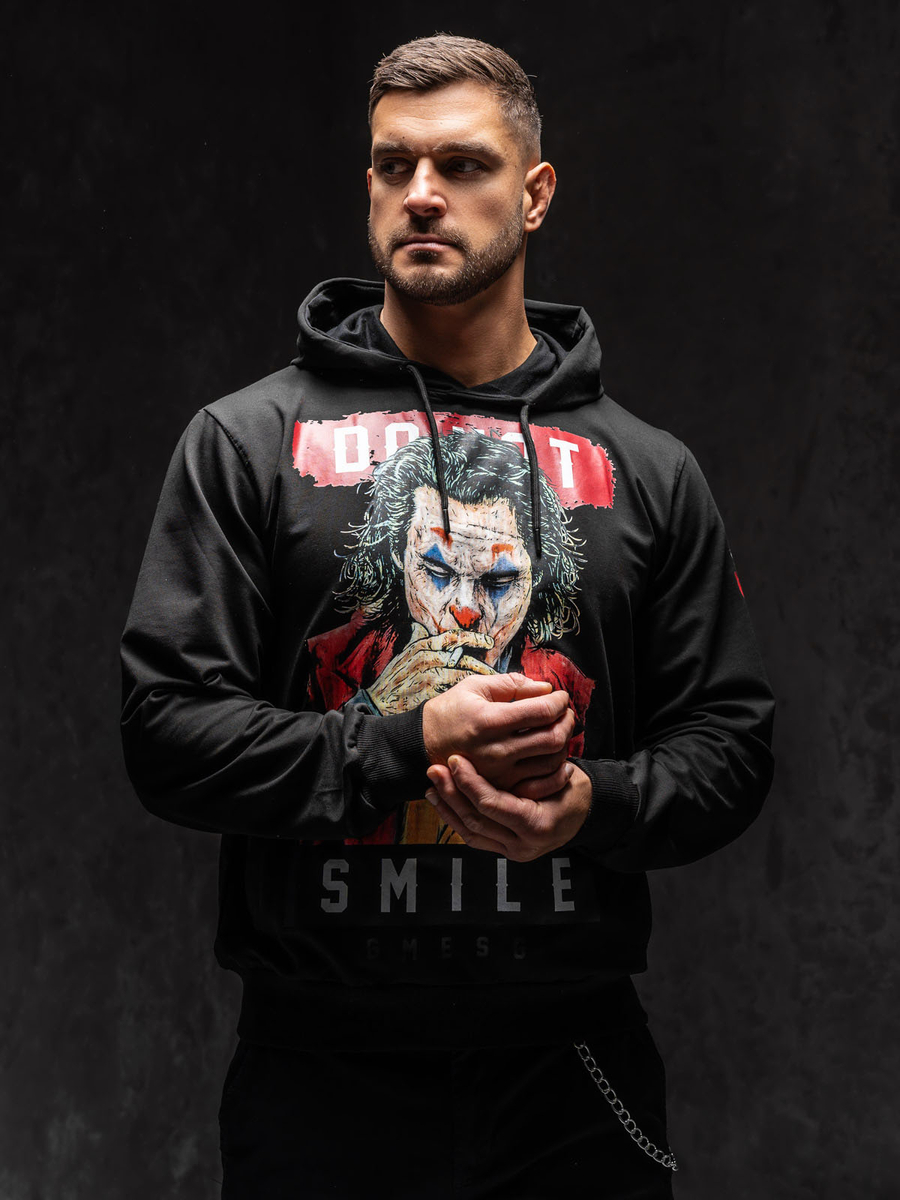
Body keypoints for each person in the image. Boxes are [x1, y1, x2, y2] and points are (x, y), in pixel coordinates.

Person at [120, 34, 775, 1199]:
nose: (421, 194)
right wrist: (403, 741)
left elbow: (732, 747)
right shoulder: (248, 443)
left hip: (572, 1065)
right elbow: (165, 732)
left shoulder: (649, 469)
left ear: (535, 192)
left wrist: (589, 807)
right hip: (319, 1065)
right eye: (394, 165)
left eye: (464, 165)